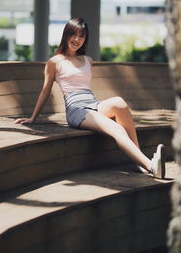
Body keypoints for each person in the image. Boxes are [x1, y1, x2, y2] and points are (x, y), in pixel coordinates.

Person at [15, 18, 166, 179]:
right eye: (73, 34)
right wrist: (32, 118)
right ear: (66, 35)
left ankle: (141, 161)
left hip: (92, 103)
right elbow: (45, 92)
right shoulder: (54, 62)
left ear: (85, 39)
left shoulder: (88, 60)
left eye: (82, 36)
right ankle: (150, 166)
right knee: (117, 129)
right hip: (76, 110)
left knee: (119, 103)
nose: (77, 39)